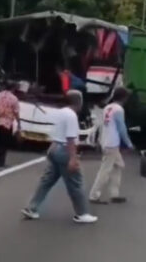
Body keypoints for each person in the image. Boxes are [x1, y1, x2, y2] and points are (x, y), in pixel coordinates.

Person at [21, 90, 98, 224]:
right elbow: (70, 138)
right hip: (64, 150)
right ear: (78, 102)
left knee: (46, 181)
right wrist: (73, 158)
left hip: (54, 148)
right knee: (75, 183)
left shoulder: (60, 112)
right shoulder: (71, 116)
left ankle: (31, 208)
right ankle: (82, 213)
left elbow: (57, 133)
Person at [89, 87, 134, 204]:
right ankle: (94, 195)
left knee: (118, 165)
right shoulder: (119, 109)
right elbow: (121, 128)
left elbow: (102, 126)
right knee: (105, 170)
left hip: (106, 141)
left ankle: (114, 194)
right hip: (112, 143)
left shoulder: (107, 108)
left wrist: (99, 141)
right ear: (124, 98)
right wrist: (129, 143)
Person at [0, 81, 20, 167]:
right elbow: (16, 112)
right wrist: (19, 123)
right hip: (7, 123)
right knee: (3, 144)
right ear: (13, 89)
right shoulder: (14, 98)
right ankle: (0, 162)